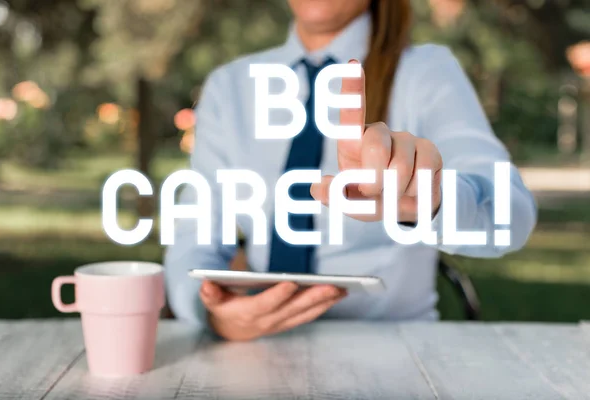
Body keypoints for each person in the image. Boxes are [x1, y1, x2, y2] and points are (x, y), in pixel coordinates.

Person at [164, 0, 537, 341]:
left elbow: (510, 213)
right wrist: (210, 312)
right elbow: (194, 234)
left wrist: (432, 202)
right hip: (256, 351)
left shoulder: (426, 72)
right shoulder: (230, 86)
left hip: (394, 350)